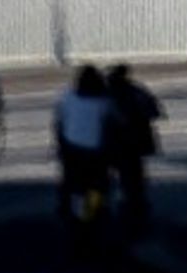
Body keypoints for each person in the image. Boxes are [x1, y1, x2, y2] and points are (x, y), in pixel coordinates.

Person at [104, 64, 164, 231]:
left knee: (100, 181)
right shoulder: (136, 91)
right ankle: (136, 209)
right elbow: (154, 111)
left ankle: (92, 213)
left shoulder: (103, 95)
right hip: (134, 143)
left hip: (111, 145)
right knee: (134, 179)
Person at [53, 65, 112, 226]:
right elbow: (109, 124)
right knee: (97, 184)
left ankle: (70, 210)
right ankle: (91, 212)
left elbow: (59, 121)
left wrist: (60, 144)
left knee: (72, 181)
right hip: (95, 150)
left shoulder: (68, 96)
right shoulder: (104, 101)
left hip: (71, 148)